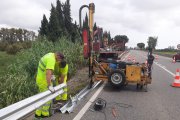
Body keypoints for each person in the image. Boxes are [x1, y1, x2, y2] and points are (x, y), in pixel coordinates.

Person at [35, 52, 67, 118]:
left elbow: (47, 70)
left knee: (41, 97)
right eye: (59, 59)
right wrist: (49, 85)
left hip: (40, 78)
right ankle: (44, 114)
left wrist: (52, 76)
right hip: (44, 81)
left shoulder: (50, 54)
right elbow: (48, 73)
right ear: (58, 56)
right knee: (48, 97)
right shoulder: (51, 59)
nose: (58, 61)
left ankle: (38, 113)